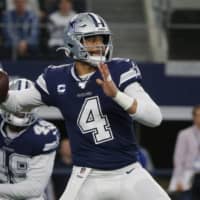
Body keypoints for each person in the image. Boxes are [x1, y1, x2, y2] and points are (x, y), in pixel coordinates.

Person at [0, 12, 170, 200]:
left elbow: (155, 118)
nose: (100, 45)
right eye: (91, 39)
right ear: (73, 41)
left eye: (103, 39)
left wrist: (117, 95)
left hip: (128, 171)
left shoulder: (119, 70)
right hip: (86, 176)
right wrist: (3, 93)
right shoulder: (55, 78)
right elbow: (15, 103)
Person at [0, 79, 60, 200]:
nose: (20, 109)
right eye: (15, 103)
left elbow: (33, 189)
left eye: (27, 105)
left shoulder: (43, 134)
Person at [169, 105, 200, 200]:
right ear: (193, 117)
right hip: (189, 175)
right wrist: (178, 179)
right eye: (198, 115)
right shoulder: (184, 134)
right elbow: (178, 159)